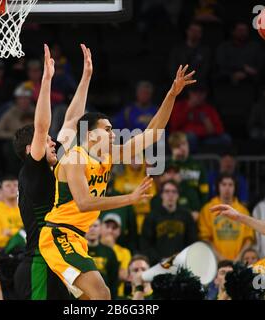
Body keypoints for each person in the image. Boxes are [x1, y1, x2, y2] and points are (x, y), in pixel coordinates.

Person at [39, 64, 196, 300]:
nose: (113, 134)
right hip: (58, 235)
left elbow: (152, 133)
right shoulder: (74, 158)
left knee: (92, 299)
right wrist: (129, 199)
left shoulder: (109, 155)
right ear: (91, 135)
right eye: (108, 130)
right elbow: (84, 202)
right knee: (102, 294)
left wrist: (171, 94)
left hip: (77, 237)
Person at [12, 44, 92, 300]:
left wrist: (86, 77)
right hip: (38, 263)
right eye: (48, 140)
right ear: (30, 148)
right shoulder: (32, 169)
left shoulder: (54, 166)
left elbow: (71, 121)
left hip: (59, 261)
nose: (53, 142)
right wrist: (46, 81)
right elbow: (41, 125)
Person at [198, 173, 254, 261]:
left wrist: (238, 258)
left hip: (239, 262)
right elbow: (205, 239)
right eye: (223, 184)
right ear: (217, 186)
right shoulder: (207, 209)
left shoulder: (243, 211)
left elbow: (248, 239)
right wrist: (220, 258)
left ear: (235, 187)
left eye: (230, 185)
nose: (227, 188)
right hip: (214, 261)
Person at [141, 180, 198, 265]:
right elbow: (146, 244)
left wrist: (182, 258)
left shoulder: (186, 216)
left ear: (178, 195)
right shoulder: (151, 217)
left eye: (174, 192)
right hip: (157, 264)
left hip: (182, 264)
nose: (170, 195)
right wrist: (160, 260)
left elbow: (192, 242)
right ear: (161, 195)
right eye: (167, 191)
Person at [169, 85, 231, 152]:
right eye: (195, 93)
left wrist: (209, 127)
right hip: (185, 137)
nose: (198, 96)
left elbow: (219, 129)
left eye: (201, 93)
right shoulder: (180, 106)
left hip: (205, 137)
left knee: (225, 138)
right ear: (190, 93)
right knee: (191, 137)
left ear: (205, 94)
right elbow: (174, 126)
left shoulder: (209, 109)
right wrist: (188, 107)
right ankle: (191, 161)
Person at [166, 132, 209, 219]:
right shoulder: (167, 166)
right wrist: (174, 160)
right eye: (178, 146)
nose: (182, 148)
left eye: (184, 144)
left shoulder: (198, 166)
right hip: (173, 208)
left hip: (194, 208)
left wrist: (200, 211)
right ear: (172, 149)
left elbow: (204, 192)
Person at [112, 157, 157, 234]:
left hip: (145, 220)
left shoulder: (148, 180)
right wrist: (140, 201)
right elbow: (117, 200)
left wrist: (130, 200)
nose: (135, 161)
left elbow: (153, 199)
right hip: (126, 220)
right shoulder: (120, 180)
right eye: (132, 158)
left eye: (138, 157)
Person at [100, 213, 132, 298]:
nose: (110, 230)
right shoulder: (90, 247)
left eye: (114, 228)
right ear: (100, 228)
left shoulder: (125, 252)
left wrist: (109, 249)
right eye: (107, 226)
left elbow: (123, 275)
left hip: (117, 295)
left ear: (119, 231)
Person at [86, 219, 119, 299]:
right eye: (89, 226)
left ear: (100, 228)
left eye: (95, 226)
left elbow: (114, 281)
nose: (92, 229)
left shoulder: (109, 252)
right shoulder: (78, 251)